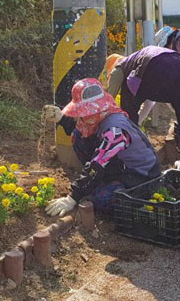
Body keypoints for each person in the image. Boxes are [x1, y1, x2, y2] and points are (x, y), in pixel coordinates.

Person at [43, 78, 161, 217]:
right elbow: (82, 131)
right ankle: (100, 182)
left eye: (84, 113)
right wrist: (61, 118)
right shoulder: (97, 119)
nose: (81, 117)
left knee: (103, 200)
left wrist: (73, 198)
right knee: (78, 134)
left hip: (142, 175)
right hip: (120, 166)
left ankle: (133, 198)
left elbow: (97, 165)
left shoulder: (115, 131)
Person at [107, 46, 180, 173]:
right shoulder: (134, 63)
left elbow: (110, 101)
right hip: (179, 63)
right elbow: (149, 102)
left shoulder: (120, 67)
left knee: (128, 113)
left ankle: (135, 159)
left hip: (153, 65)